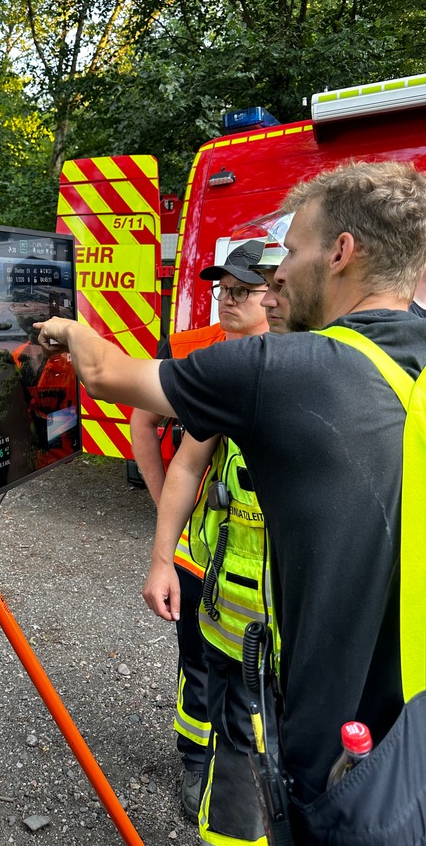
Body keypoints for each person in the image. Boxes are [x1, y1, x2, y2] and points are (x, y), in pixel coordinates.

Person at [34, 160, 426, 842]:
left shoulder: (285, 369)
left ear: (342, 253)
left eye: (293, 251)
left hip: (340, 768)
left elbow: (106, 374)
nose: (276, 274)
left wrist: (65, 328)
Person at [129, 242, 269, 820]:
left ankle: (250, 768)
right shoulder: (197, 355)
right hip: (202, 556)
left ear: (278, 294)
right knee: (199, 664)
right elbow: (147, 424)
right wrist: (167, 509)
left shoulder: (299, 355)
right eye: (223, 290)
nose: (228, 300)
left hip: (265, 568)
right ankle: (195, 760)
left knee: (258, 688)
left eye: (243, 291)